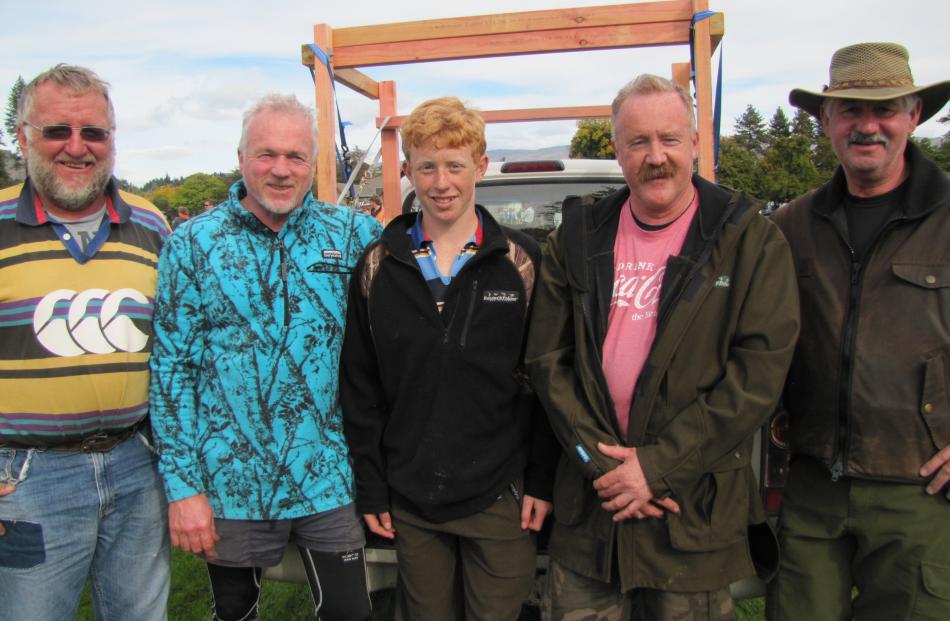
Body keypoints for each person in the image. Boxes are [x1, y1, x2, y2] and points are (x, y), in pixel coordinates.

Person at [525, 74, 800, 620]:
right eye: (638, 142)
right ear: (618, 151)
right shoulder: (577, 236)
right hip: (592, 513)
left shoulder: (746, 239)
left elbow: (758, 375)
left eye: (670, 139)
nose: (656, 157)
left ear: (695, 143)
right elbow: (547, 363)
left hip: (688, 516)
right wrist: (603, 468)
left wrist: (657, 467)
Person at [149, 93, 383, 621]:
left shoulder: (354, 236)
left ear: (313, 163)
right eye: (266, 154)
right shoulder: (192, 244)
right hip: (230, 480)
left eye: (296, 156)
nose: (281, 170)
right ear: (241, 158)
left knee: (351, 613)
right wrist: (183, 487)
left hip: (327, 475)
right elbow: (171, 370)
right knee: (234, 613)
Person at [340, 96, 558, 621]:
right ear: (408, 168)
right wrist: (371, 485)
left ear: (479, 167)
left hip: (502, 495)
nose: (442, 182)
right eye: (427, 166)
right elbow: (360, 386)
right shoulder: (378, 266)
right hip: (413, 498)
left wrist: (543, 480)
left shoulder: (521, 262)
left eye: (455, 165)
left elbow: (548, 379)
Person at [767, 42, 950, 620]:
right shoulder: (790, 227)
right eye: (849, 109)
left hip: (919, 489)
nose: (867, 126)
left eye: (885, 109)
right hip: (813, 484)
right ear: (826, 121)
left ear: (914, 115)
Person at [0, 64, 171, 620]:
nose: (77, 147)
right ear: (24, 136)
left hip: (136, 466)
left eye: (93, 132)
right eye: (57, 131)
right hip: (28, 478)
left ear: (112, 140)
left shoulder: (151, 224)